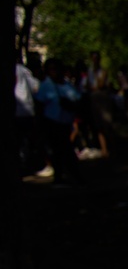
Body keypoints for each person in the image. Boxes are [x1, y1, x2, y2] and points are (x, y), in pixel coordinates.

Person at [34, 58, 85, 186]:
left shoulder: (67, 85)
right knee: (61, 150)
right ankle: (66, 176)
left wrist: (72, 106)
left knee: (64, 150)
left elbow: (78, 100)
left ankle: (66, 176)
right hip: (52, 123)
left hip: (66, 123)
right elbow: (39, 105)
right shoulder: (46, 86)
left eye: (56, 69)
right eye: (51, 69)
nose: (54, 72)